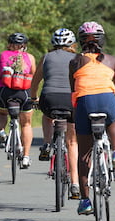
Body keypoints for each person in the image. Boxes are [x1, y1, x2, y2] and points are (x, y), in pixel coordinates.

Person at [69, 21, 115, 215]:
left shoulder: (75, 62)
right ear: (102, 40)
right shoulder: (111, 60)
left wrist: (75, 114)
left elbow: (73, 90)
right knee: (112, 120)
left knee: (84, 155)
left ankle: (85, 201)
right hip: (107, 102)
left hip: (85, 104)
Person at [30, 28, 80, 199]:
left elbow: (35, 82)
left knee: (47, 114)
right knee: (72, 142)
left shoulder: (46, 58)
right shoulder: (77, 58)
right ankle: (75, 184)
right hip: (71, 100)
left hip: (49, 98)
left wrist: (33, 98)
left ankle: (46, 144)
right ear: (72, 44)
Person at [0, 32, 37, 168]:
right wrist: (35, 96)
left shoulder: (1, 55)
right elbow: (34, 79)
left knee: (1, 112)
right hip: (23, 93)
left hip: (4, 92)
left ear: (9, 44)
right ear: (24, 45)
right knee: (26, 124)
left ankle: (1, 132)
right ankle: (26, 157)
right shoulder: (30, 57)